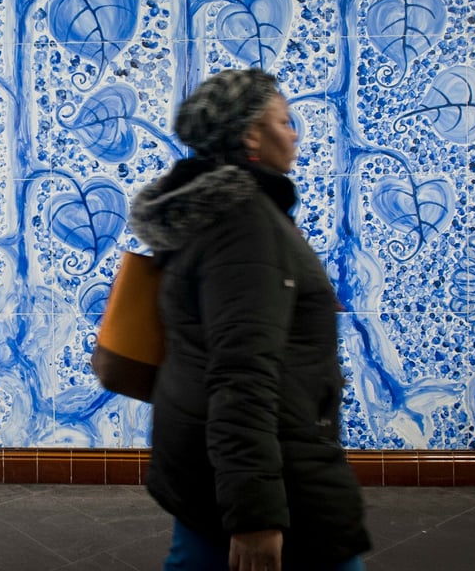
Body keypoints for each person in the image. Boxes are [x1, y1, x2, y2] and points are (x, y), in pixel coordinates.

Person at [128, 68, 370, 571]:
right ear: (250, 135)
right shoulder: (245, 224)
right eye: (284, 121)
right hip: (270, 468)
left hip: (210, 462)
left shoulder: (216, 216)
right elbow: (242, 371)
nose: (295, 133)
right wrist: (254, 515)